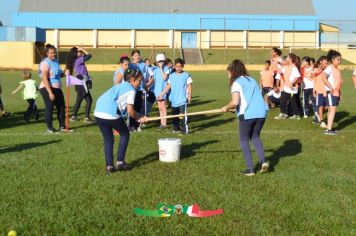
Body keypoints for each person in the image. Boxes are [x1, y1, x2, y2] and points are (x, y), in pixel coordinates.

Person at [94, 68, 148, 174]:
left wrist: (139, 115)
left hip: (98, 112)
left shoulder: (121, 85)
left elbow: (129, 109)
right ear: (133, 79)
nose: (140, 84)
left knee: (108, 139)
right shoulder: (131, 90)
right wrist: (138, 118)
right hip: (110, 112)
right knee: (125, 133)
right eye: (139, 81)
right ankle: (120, 162)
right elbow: (130, 110)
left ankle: (109, 166)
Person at [221, 59, 269, 176]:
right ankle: (263, 161)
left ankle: (250, 168)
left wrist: (226, 107)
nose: (228, 76)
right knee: (255, 136)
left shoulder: (236, 83)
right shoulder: (251, 80)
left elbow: (235, 101)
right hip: (261, 113)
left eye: (228, 73)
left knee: (243, 139)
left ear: (233, 71)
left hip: (248, 115)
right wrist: (235, 109)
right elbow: (249, 99)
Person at [39, 44, 70, 133]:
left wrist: (65, 73)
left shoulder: (56, 61)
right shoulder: (45, 63)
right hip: (47, 87)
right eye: (51, 53)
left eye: (54, 52)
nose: (53, 54)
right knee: (50, 108)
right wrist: (50, 92)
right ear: (47, 53)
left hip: (57, 88)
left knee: (61, 107)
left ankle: (62, 127)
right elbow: (44, 78)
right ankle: (50, 128)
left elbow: (58, 75)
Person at [157, 58, 193, 134]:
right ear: (174, 66)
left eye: (180, 66)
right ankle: (176, 128)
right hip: (174, 100)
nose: (178, 68)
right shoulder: (172, 76)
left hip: (182, 100)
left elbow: (189, 86)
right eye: (177, 66)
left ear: (183, 66)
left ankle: (184, 130)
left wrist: (189, 96)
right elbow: (168, 86)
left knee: (183, 116)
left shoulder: (186, 75)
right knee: (174, 116)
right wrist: (161, 94)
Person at [65, 46, 94, 123]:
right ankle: (86, 118)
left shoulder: (77, 60)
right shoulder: (78, 60)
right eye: (79, 51)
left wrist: (80, 50)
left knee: (81, 100)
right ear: (75, 54)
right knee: (88, 100)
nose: (81, 52)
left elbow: (86, 56)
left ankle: (74, 116)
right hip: (81, 82)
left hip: (80, 81)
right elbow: (89, 55)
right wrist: (82, 48)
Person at [321, 50, 343, 135]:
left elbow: (338, 82)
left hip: (336, 92)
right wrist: (330, 87)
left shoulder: (336, 69)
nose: (339, 61)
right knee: (332, 110)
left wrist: (339, 93)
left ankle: (329, 128)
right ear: (333, 59)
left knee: (332, 110)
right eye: (338, 60)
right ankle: (328, 130)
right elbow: (323, 77)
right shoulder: (329, 67)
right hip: (331, 92)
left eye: (340, 60)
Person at [275, 53, 301, 120]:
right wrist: (276, 65)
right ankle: (284, 114)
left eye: (288, 57)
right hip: (286, 87)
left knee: (293, 101)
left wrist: (292, 83)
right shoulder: (286, 66)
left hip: (292, 88)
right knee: (283, 100)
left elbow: (297, 76)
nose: (286, 58)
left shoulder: (293, 67)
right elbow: (280, 72)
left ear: (290, 59)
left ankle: (297, 114)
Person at [129, 49, 149, 132]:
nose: (137, 57)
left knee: (139, 108)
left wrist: (145, 85)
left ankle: (137, 125)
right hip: (132, 89)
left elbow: (145, 77)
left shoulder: (143, 65)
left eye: (138, 55)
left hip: (140, 89)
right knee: (131, 107)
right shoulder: (130, 65)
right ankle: (131, 125)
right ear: (132, 56)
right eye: (135, 55)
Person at [149, 54, 170, 129]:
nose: (161, 63)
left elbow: (164, 78)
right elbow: (153, 80)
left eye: (162, 61)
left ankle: (165, 123)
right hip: (157, 91)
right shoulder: (155, 70)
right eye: (159, 61)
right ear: (157, 62)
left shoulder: (167, 68)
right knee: (160, 108)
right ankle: (162, 123)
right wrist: (148, 85)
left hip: (163, 90)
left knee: (163, 107)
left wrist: (161, 68)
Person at [312, 56, 328, 127]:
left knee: (328, 106)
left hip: (327, 90)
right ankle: (321, 121)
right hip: (319, 90)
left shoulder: (328, 70)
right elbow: (311, 75)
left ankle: (318, 114)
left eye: (327, 62)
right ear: (321, 62)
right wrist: (319, 70)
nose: (326, 64)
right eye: (325, 62)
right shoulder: (316, 69)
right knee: (320, 105)